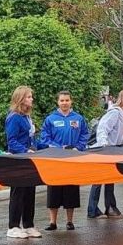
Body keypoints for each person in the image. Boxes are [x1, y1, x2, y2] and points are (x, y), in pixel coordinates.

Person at [38, 91, 89, 230]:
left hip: (72, 159)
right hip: (55, 159)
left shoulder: (78, 118)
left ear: (71, 101)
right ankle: (52, 222)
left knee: (71, 189)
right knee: (53, 189)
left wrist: (78, 147)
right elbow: (45, 138)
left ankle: (69, 221)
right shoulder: (50, 119)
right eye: (62, 100)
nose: (64, 103)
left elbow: (85, 135)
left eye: (67, 100)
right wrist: (58, 148)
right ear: (58, 102)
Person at [88, 89, 123, 219]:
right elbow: (103, 128)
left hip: (113, 151)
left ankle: (110, 208)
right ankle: (93, 210)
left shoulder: (121, 113)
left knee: (110, 179)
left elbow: (118, 134)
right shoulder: (114, 113)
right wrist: (104, 145)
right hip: (105, 151)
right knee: (98, 180)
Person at [5, 86, 43, 239]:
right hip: (19, 159)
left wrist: (40, 147)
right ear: (20, 99)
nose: (31, 99)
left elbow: (31, 138)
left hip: (30, 159)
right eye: (28, 97)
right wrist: (25, 150)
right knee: (18, 193)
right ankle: (13, 226)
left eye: (31, 96)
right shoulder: (14, 117)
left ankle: (28, 224)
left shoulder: (27, 117)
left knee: (29, 192)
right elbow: (12, 141)